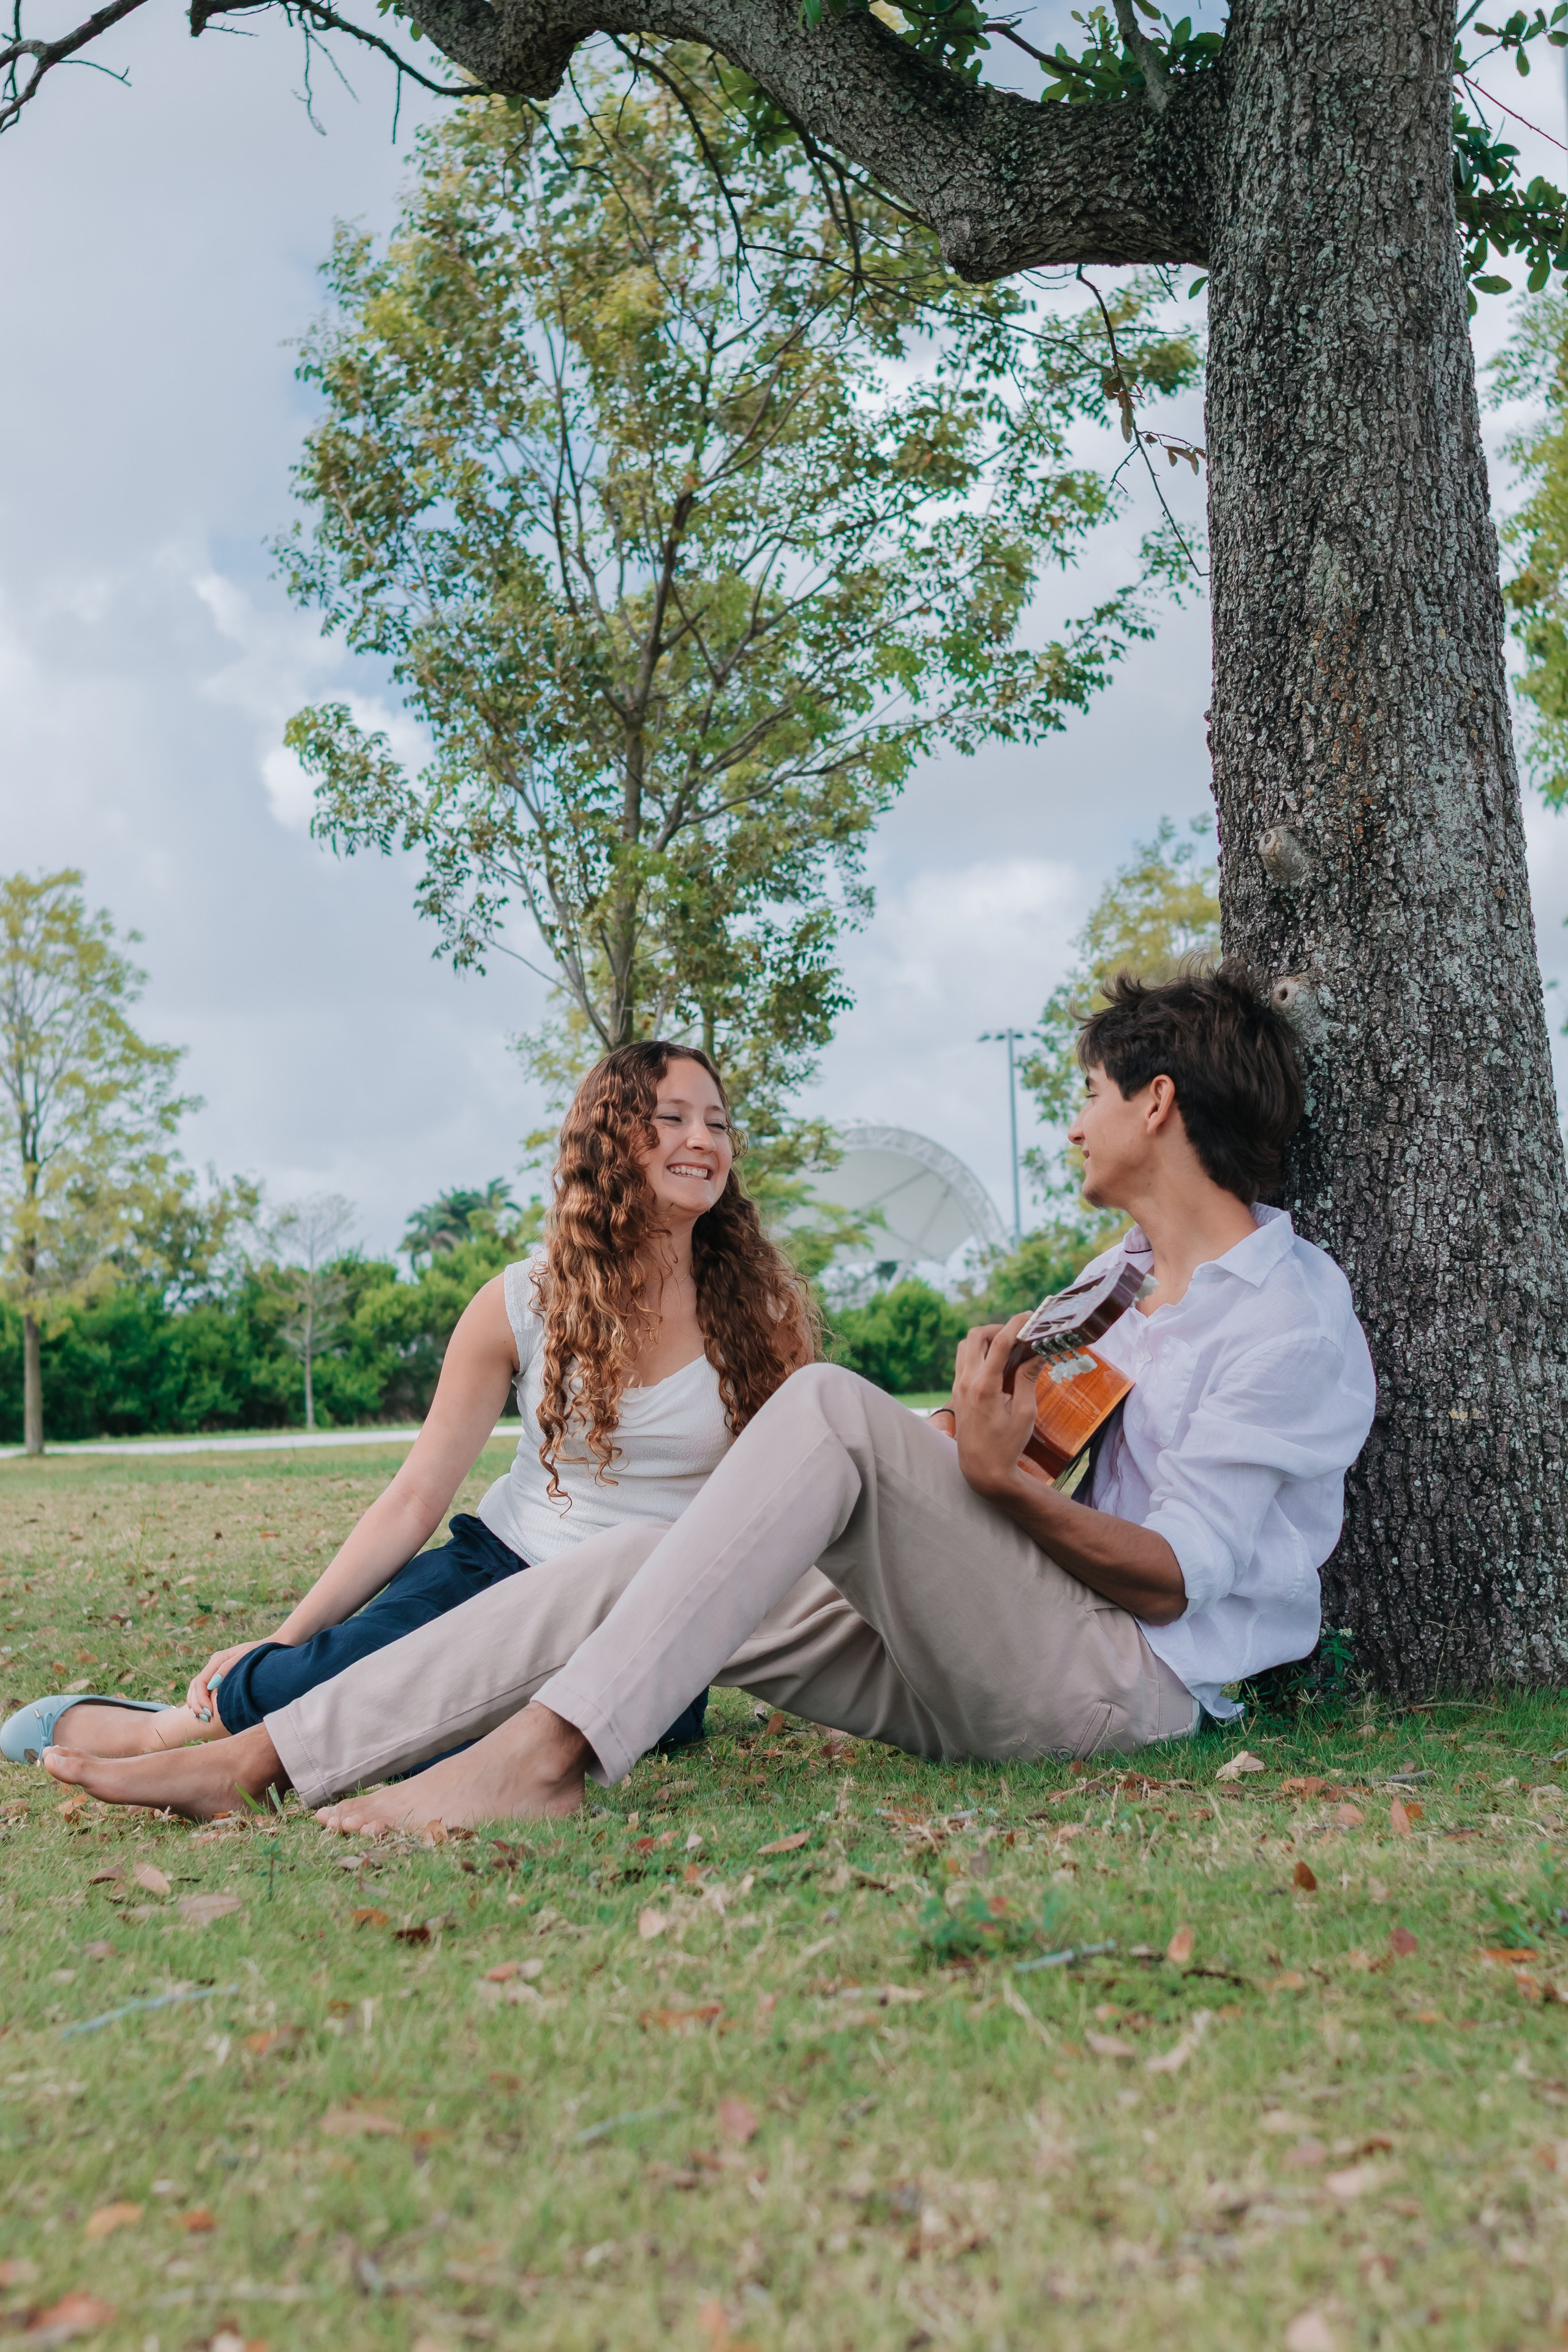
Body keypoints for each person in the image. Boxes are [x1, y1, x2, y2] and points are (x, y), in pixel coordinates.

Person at [45, 967, 1377, 1830]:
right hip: (991, 1648)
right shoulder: (1121, 1276)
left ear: (1155, 1106)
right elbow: (1009, 1454)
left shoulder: (1283, 1317)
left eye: (1085, 1095)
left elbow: (1172, 1584)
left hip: (1115, 1689)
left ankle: (542, 1762)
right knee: (640, 1559)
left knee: (827, 1406)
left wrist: (972, 1474)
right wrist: (962, 1453)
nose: (1070, 1120)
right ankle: (261, 1760)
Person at [8, 1041, 815, 1770]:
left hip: (644, 1621)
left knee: (462, 1747)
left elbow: (793, 1504)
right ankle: (168, 1732)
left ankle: (257, 1740)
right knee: (366, 1678)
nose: (703, 1141)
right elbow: (414, 1498)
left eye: (716, 1122)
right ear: (610, 1143)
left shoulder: (763, 1316)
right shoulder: (524, 1301)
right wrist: (292, 1637)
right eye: (671, 1118)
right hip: (497, 1573)